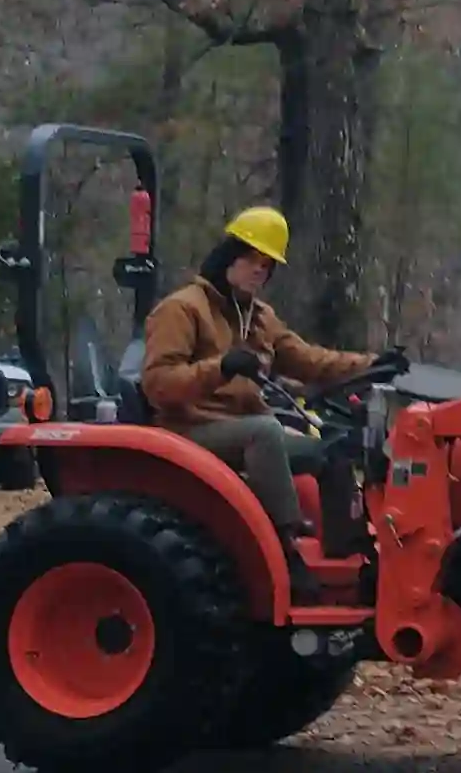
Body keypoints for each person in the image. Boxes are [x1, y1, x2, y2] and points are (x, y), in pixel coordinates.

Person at [139, 204, 377, 538]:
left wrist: (371, 365)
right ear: (228, 256)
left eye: (266, 266)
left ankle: (348, 551)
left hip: (241, 428)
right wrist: (220, 367)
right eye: (251, 259)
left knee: (333, 447)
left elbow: (307, 359)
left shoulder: (259, 317)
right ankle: (285, 541)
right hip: (190, 428)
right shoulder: (182, 309)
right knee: (265, 432)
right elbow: (158, 385)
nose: (259, 271)